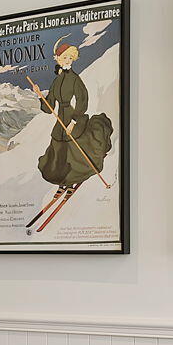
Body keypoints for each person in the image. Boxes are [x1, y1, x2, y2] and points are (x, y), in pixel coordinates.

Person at [27, 35, 115, 231]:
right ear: (58, 59)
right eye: (64, 58)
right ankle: (63, 181)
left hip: (74, 117)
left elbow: (82, 100)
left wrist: (74, 121)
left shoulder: (75, 79)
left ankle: (73, 178)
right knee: (57, 148)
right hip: (61, 119)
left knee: (73, 150)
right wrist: (40, 96)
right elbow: (49, 107)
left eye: (70, 58)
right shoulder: (57, 81)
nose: (67, 61)